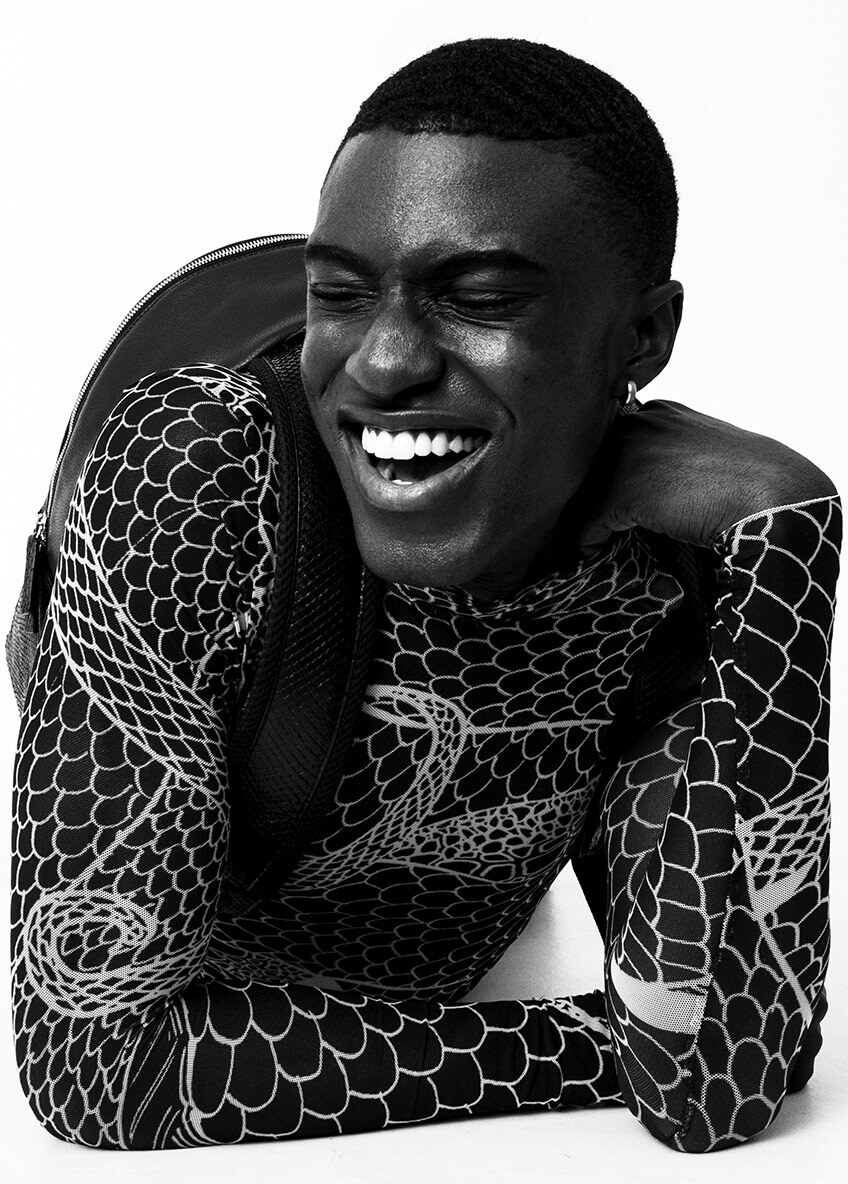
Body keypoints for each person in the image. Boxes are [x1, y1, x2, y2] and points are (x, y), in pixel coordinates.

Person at [10, 37, 840, 1154]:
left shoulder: (660, 570)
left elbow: (721, 1082)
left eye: (480, 297)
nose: (384, 362)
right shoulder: (199, 471)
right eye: (340, 295)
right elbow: (96, 1064)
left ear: (643, 337)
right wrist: (611, 1042)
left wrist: (788, 542)